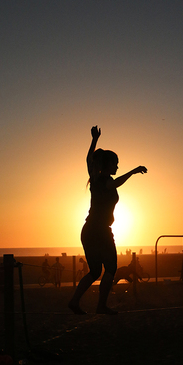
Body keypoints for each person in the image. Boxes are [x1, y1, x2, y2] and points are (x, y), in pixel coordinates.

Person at [69, 125, 147, 314]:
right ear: (107, 165)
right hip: (99, 230)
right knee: (110, 268)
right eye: (115, 163)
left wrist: (94, 140)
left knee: (96, 271)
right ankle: (100, 306)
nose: (117, 166)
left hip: (90, 230)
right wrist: (134, 171)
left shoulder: (96, 178)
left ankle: (76, 302)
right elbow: (114, 182)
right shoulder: (102, 180)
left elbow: (89, 159)